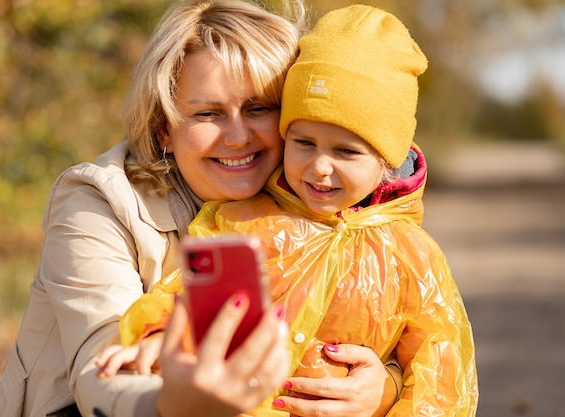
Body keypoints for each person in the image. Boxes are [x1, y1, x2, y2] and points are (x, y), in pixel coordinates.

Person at [0, 1, 400, 417]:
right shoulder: (97, 201)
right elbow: (101, 372)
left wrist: (386, 385)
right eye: (208, 113)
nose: (238, 137)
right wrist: (174, 403)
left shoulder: (324, 204)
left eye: (258, 108)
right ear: (164, 126)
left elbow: (396, 328)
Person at [106, 4, 479, 416]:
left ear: (386, 160)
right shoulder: (246, 219)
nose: (320, 167)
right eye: (303, 143)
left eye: (345, 151)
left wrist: (383, 395)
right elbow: (188, 297)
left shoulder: (414, 256)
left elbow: (441, 374)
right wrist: (160, 336)